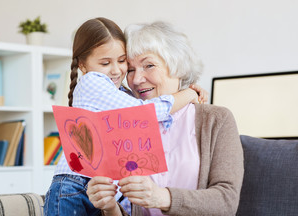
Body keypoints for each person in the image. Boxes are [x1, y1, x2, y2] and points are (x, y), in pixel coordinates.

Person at [43, 18, 208, 216]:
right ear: (83, 65)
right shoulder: (92, 82)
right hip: (75, 186)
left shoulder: (119, 92)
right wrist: (188, 94)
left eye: (122, 61)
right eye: (105, 63)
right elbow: (145, 112)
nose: (116, 70)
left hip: (99, 189)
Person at [86, 21, 244, 216]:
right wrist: (109, 206)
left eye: (149, 65)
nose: (136, 80)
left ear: (177, 65)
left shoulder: (216, 120)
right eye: (131, 69)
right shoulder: (124, 122)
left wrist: (161, 197)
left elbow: (226, 202)